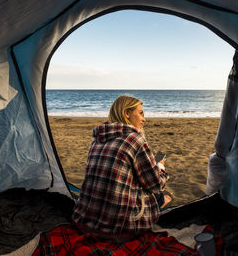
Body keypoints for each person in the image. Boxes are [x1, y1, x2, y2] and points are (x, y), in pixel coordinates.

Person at [72, 94, 171, 242]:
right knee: (162, 194)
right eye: (141, 113)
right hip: (121, 227)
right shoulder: (134, 139)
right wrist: (160, 167)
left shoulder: (96, 140)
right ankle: (164, 200)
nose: (144, 119)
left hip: (85, 221)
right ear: (127, 113)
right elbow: (155, 184)